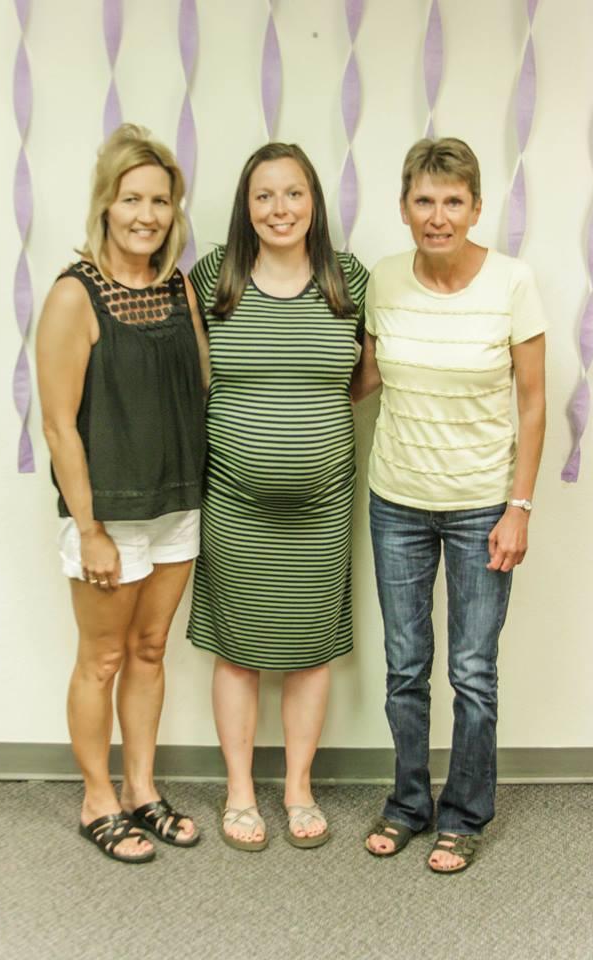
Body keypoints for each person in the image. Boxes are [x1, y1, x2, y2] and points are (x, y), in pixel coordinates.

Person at [352, 137, 547, 874]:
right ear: (404, 207)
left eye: (453, 201)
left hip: (479, 508)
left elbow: (533, 404)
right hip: (396, 501)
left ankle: (463, 816)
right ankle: (407, 804)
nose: (438, 216)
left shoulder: (511, 282)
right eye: (425, 201)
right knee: (406, 667)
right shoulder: (384, 279)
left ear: (475, 207)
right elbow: (365, 378)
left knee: (472, 670)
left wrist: (519, 505)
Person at [186, 143, 369, 851]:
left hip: (324, 505)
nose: (280, 209)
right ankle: (239, 791)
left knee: (309, 650)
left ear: (314, 202)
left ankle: (297, 788)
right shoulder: (214, 279)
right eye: (264, 196)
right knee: (237, 650)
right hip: (233, 500)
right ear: (246, 206)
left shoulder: (346, 280)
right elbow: (197, 377)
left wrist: (303, 426)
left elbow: (363, 376)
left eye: (293, 194)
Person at [36, 124, 209, 863]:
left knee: (148, 650)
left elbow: (200, 387)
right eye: (131, 198)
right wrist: (92, 528)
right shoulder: (75, 295)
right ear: (105, 204)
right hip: (107, 514)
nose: (147, 214)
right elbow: (58, 426)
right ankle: (97, 799)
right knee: (100, 660)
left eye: (160, 201)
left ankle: (142, 789)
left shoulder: (180, 288)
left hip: (176, 508)